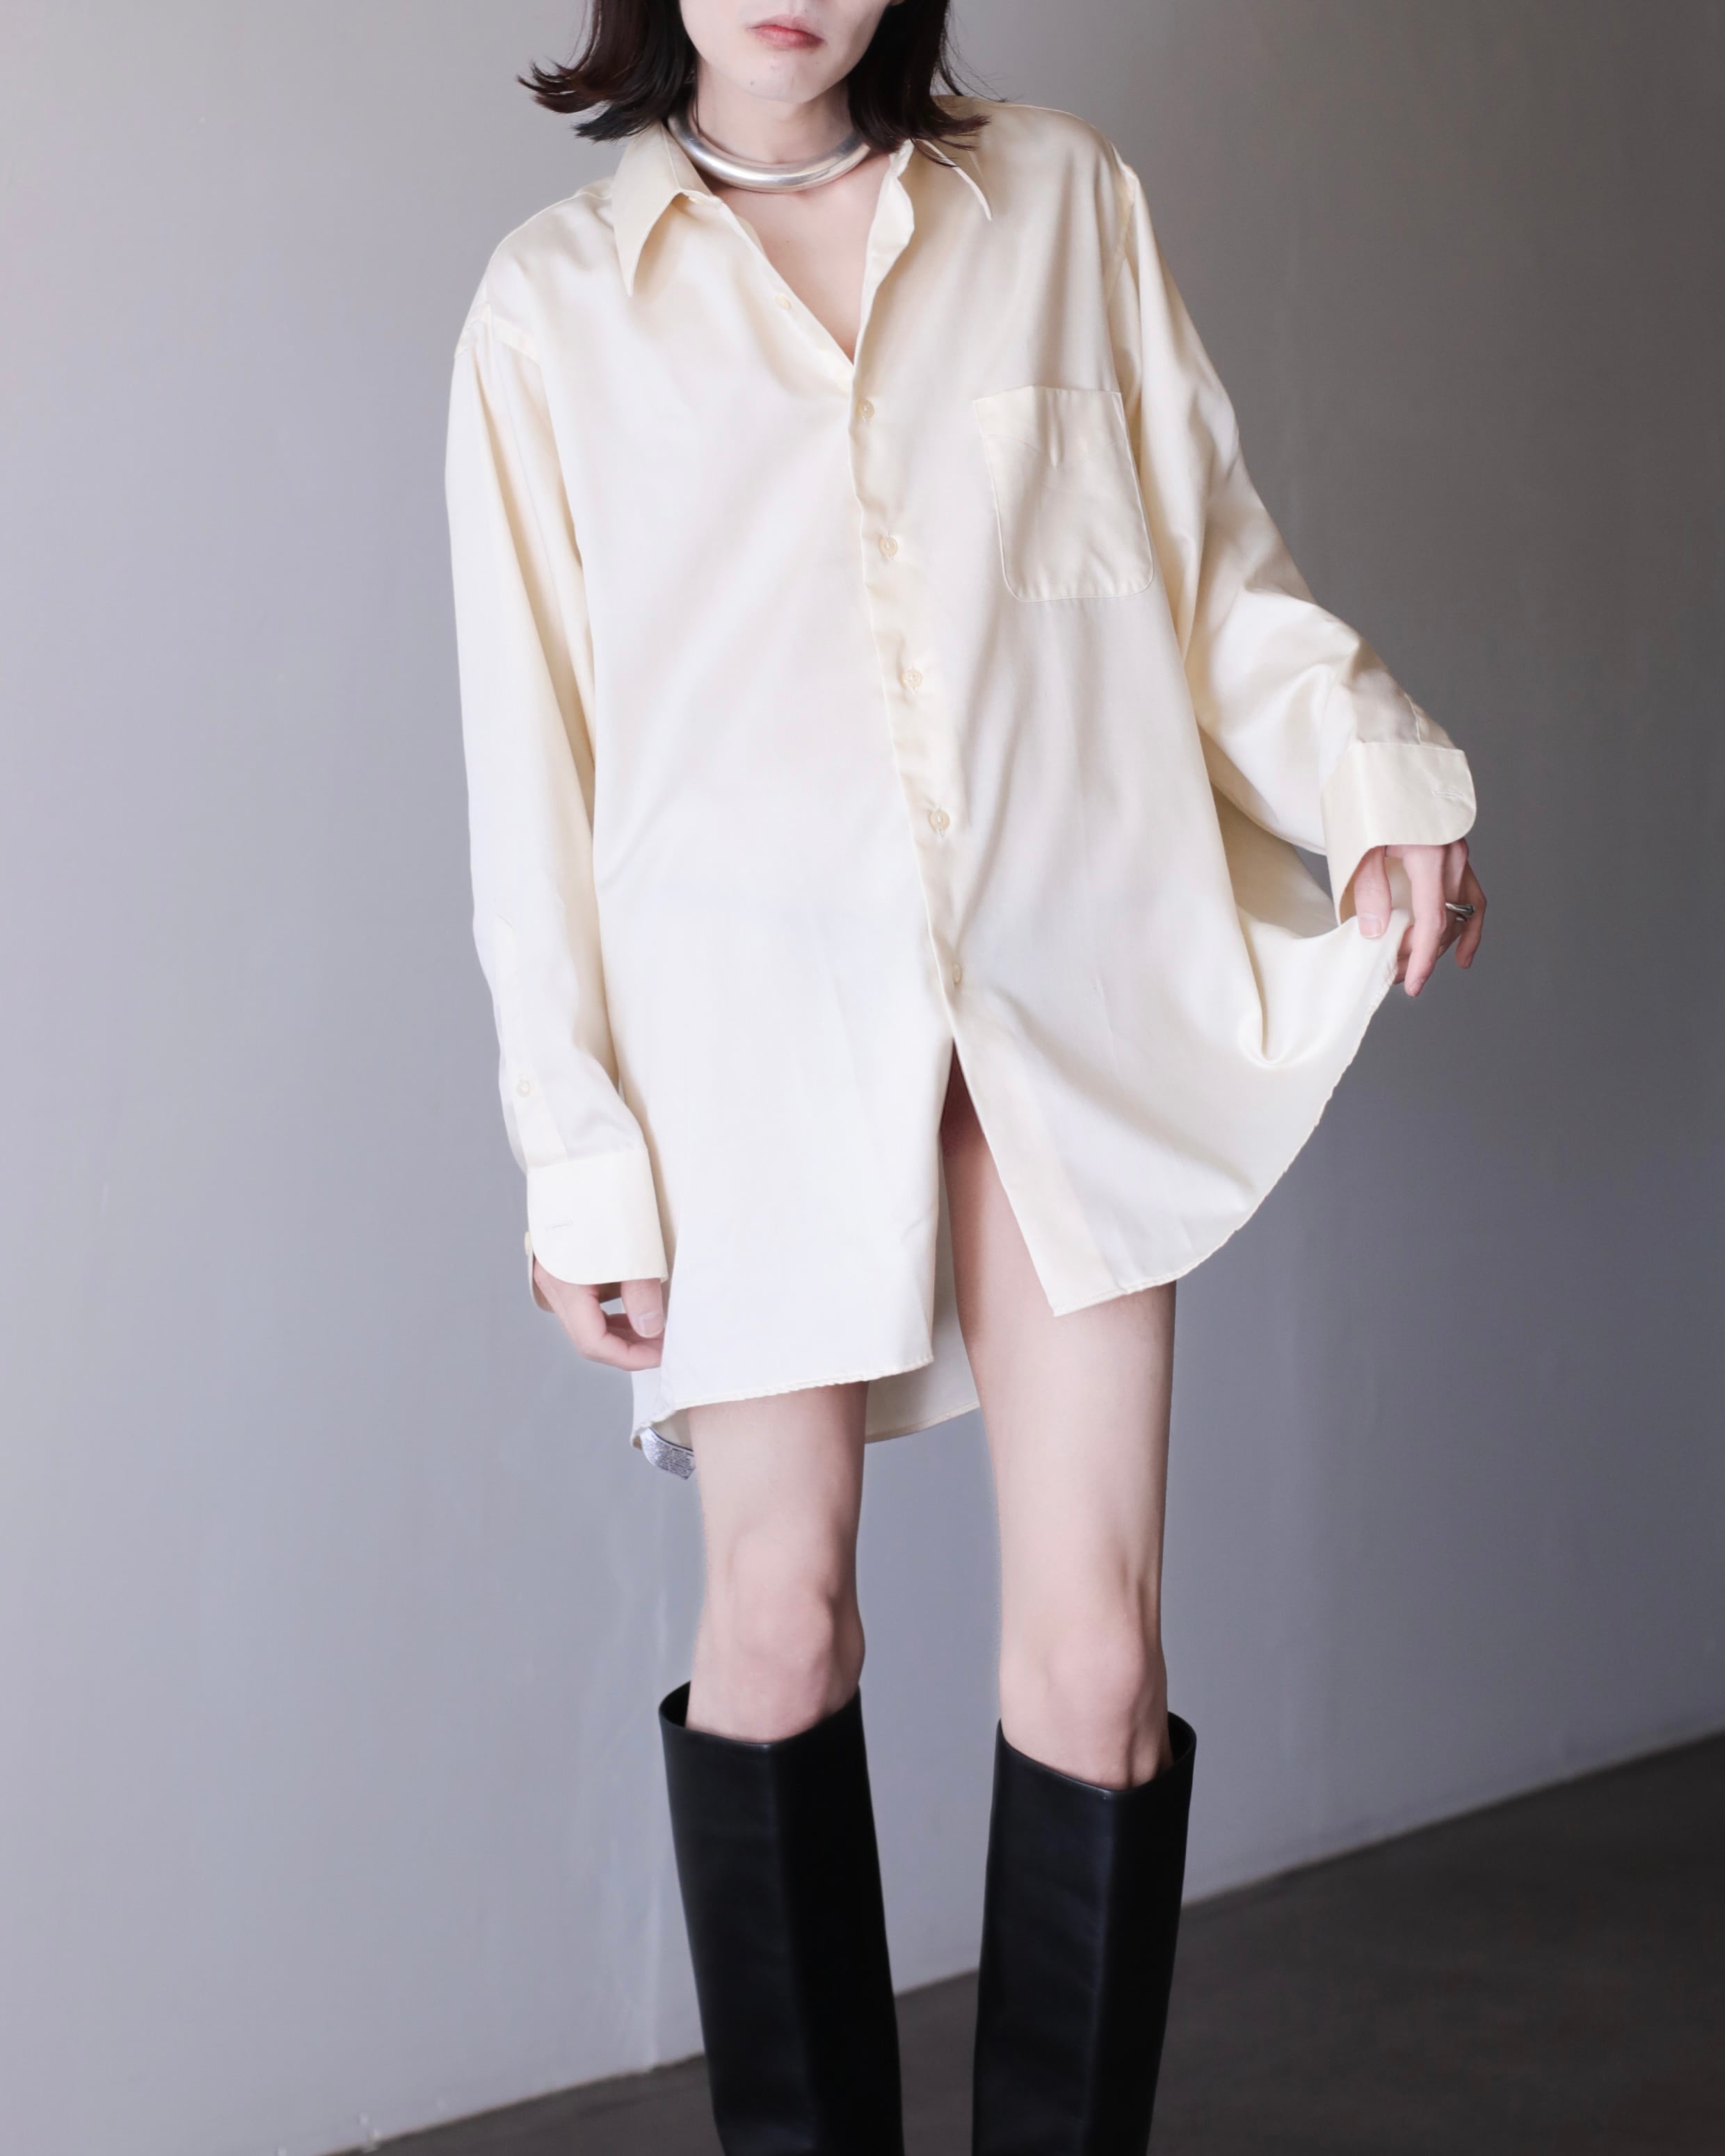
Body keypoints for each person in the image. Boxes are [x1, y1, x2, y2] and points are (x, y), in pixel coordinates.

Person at [445, 2, 1486, 2148]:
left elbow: (1208, 574)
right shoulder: (553, 312)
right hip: (743, 1056)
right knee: (779, 1614)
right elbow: (530, 773)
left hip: (1064, 1000)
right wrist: (576, 1148)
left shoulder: (1058, 201)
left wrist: (1371, 784)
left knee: (1100, 1660)